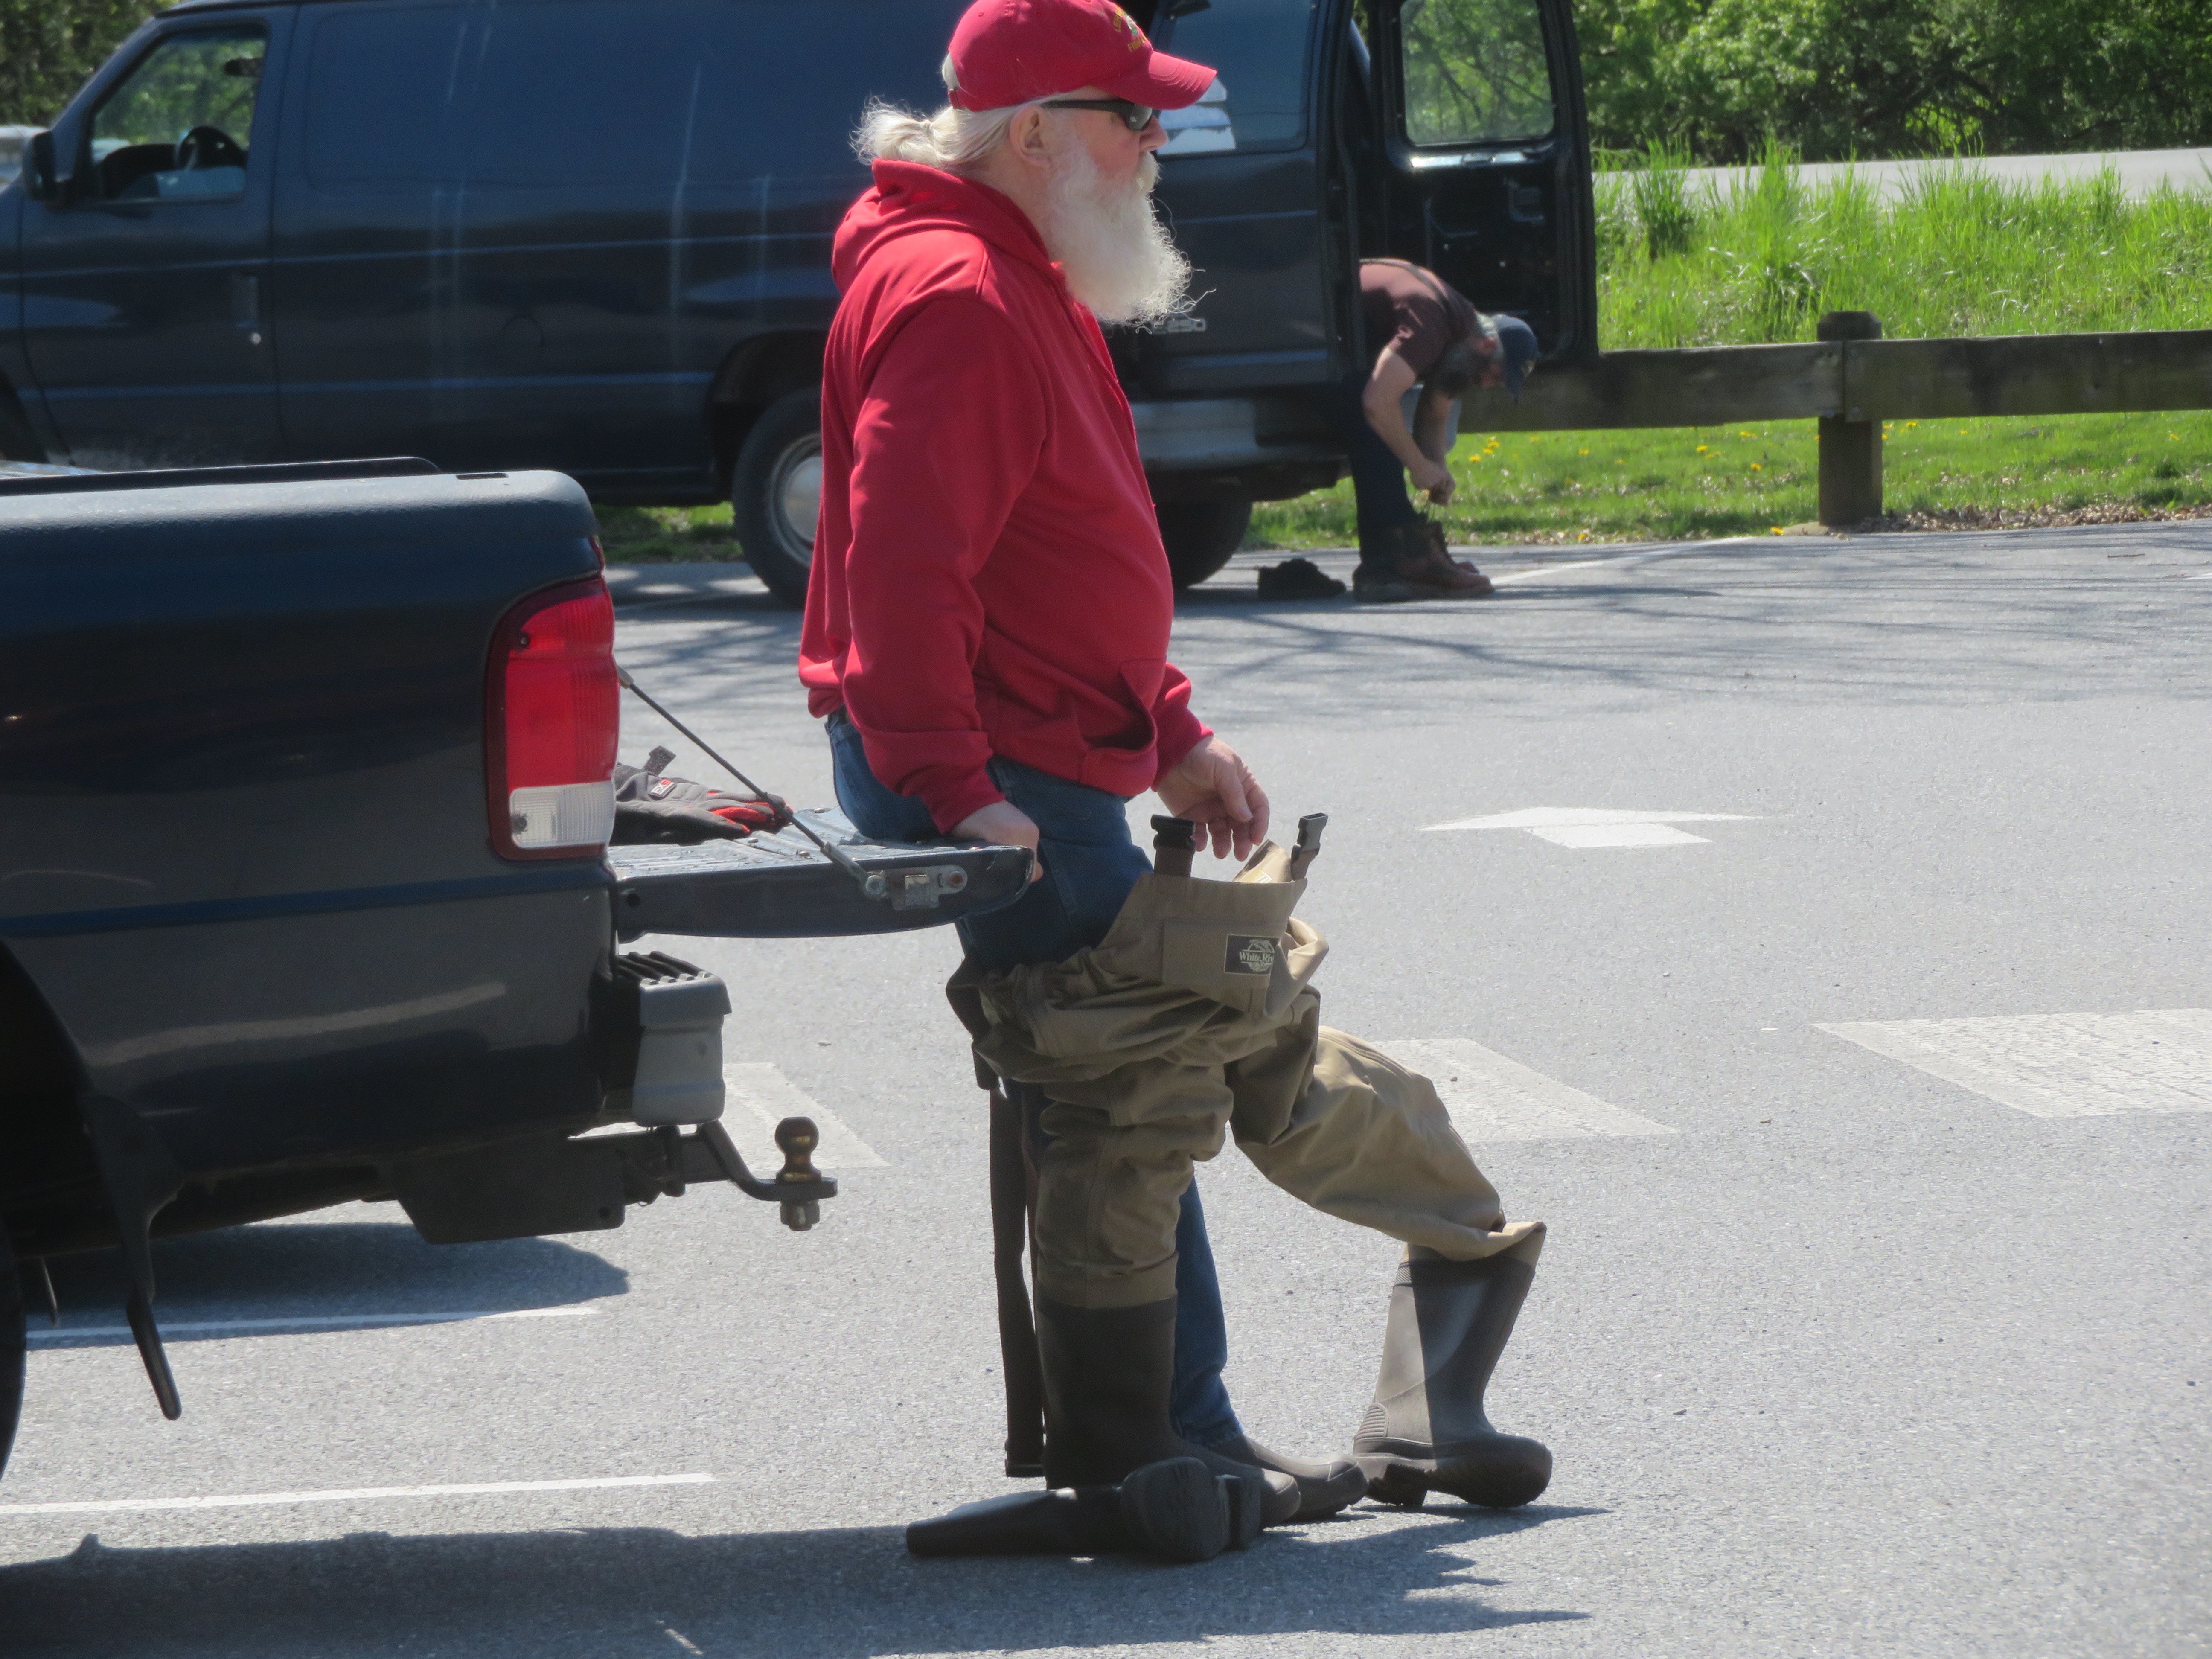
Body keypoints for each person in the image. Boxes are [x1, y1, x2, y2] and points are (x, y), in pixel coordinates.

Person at [796, 0, 1364, 1543]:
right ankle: (1169, 1445)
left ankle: (1157, 1441)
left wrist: (1168, 730)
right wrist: (952, 779)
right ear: (1036, 132)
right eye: (1132, 118)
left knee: (1116, 1084)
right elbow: (905, 570)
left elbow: (1054, 550)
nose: (1155, 146)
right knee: (1135, 1080)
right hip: (999, 765)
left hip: (1029, 749)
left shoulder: (1003, 265)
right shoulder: (964, 291)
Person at [1313, 259, 1540, 603]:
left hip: (1336, 343)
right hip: (1300, 336)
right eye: (1496, 374)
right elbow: (1376, 404)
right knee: (1377, 431)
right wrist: (1418, 466)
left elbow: (1435, 413)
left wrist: (1438, 471)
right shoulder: (1431, 322)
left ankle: (1400, 560)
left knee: (1384, 427)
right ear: (1488, 346)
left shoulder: (1461, 331)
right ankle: (1395, 563)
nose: (1488, 384)